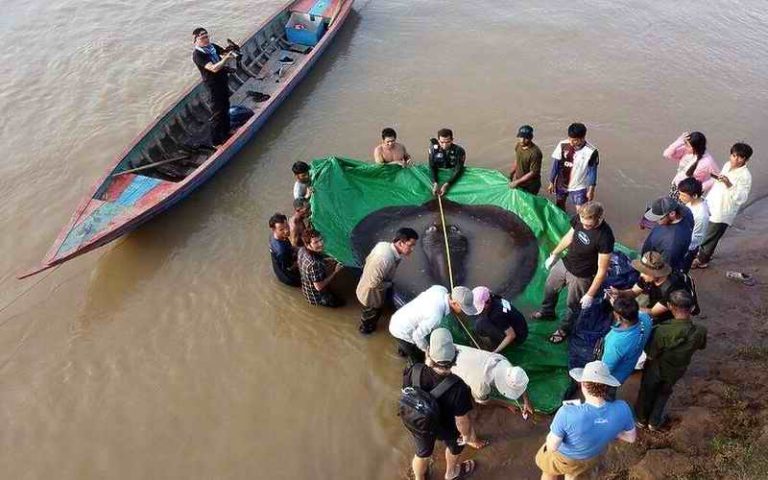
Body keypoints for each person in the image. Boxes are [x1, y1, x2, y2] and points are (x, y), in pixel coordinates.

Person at [535, 360, 636, 480]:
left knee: (549, 472)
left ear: (583, 385)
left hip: (564, 458)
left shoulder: (566, 413)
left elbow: (552, 446)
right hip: (591, 457)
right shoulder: (623, 408)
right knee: (574, 475)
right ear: (607, 386)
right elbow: (631, 438)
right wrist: (611, 429)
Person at [402, 328, 481, 480]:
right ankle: (451, 473)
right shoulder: (459, 387)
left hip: (420, 423)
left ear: (429, 353)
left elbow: (406, 392)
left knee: (422, 453)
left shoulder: (414, 369)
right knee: (455, 447)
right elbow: (461, 420)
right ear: (455, 355)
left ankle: (419, 477)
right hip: (445, 428)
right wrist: (465, 436)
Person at [531, 202, 615, 344]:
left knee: (572, 304)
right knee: (549, 288)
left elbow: (602, 270)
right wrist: (555, 254)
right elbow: (569, 236)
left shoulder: (605, 237)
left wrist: (590, 294)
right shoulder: (579, 219)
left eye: (589, 225)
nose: (585, 226)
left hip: (582, 275)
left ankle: (564, 329)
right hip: (566, 262)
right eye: (583, 223)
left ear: (599, 218)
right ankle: (547, 311)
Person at [635, 290, 707, 431]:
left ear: (669, 306)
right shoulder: (700, 330)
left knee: (647, 392)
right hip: (677, 369)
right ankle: (654, 422)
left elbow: (650, 353)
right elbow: (701, 346)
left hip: (656, 368)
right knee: (664, 393)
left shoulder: (662, 330)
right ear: (692, 308)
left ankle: (641, 419)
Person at [693, 142, 754, 269]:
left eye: (740, 157)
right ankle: (702, 254)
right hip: (711, 203)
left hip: (723, 212)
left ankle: (702, 260)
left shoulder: (745, 176)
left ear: (746, 160)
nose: (735, 159)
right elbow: (717, 185)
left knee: (710, 236)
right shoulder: (727, 165)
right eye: (733, 155)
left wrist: (729, 184)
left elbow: (742, 198)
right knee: (703, 232)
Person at [389, 285, 478, 366]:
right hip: (402, 331)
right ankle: (411, 361)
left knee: (404, 346)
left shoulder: (441, 289)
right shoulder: (436, 316)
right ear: (454, 303)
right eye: (462, 309)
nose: (463, 312)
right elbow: (417, 336)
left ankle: (402, 351)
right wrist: (427, 351)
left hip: (400, 317)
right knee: (418, 358)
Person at [355, 228, 419, 334]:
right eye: (410, 245)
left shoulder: (383, 245)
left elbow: (367, 261)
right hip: (370, 296)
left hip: (369, 285)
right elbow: (373, 283)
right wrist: (390, 284)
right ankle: (366, 330)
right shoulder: (385, 259)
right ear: (401, 243)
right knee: (370, 316)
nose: (412, 249)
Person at [451, 344, 533, 418]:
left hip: (456, 348)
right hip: (448, 363)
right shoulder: (481, 385)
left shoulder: (501, 360)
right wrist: (507, 404)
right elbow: (482, 401)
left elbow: (516, 377)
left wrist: (526, 400)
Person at [608, 251, 690, 324]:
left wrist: (622, 306)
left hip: (667, 317)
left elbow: (652, 312)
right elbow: (633, 292)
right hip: (653, 305)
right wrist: (619, 293)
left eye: (645, 272)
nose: (641, 275)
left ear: (656, 273)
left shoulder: (671, 289)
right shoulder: (646, 278)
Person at [192, 27, 235, 146]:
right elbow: (213, 68)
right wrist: (226, 59)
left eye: (207, 36)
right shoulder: (198, 55)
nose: (206, 39)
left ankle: (226, 133)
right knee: (217, 113)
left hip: (222, 81)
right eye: (202, 38)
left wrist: (231, 51)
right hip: (212, 86)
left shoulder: (212, 47)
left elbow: (223, 52)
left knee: (226, 106)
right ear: (196, 40)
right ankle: (216, 142)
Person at [548, 123, 599, 211]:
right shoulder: (562, 145)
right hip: (561, 183)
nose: (571, 142)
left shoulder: (591, 151)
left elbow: (592, 172)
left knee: (581, 210)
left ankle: (579, 224)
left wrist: (591, 190)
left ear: (582, 138)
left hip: (579, 186)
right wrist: (551, 181)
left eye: (574, 140)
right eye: (569, 138)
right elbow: (555, 164)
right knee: (559, 205)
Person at [601, 297, 652, 385]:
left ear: (618, 316)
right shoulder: (646, 319)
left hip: (610, 379)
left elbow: (605, 369)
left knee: (607, 395)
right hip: (626, 370)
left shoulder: (616, 342)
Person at [641, 196, 694, 272]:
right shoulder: (685, 210)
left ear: (672, 214)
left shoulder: (672, 244)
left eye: (659, 218)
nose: (655, 220)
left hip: (654, 264)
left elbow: (664, 269)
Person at [471, 286, 528, 352]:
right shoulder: (494, 297)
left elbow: (511, 335)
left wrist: (495, 352)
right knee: (482, 321)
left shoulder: (496, 314)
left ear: (488, 301)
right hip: (520, 328)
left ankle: (497, 344)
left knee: (480, 325)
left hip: (518, 337)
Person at [662, 131, 720, 197]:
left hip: (689, 195)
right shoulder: (685, 151)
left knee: (679, 207)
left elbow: (718, 178)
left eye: (688, 145)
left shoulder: (708, 161)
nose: (685, 146)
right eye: (685, 144)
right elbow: (666, 154)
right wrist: (680, 141)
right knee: (669, 206)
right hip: (676, 186)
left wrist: (700, 188)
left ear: (695, 147)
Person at [297, 229, 343, 307]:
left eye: (321, 239)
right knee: (340, 304)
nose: (321, 244)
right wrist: (335, 272)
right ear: (308, 245)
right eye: (316, 242)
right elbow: (319, 287)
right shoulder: (314, 264)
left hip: (306, 288)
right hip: (317, 297)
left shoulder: (302, 250)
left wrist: (327, 260)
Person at [676, 177, 709, 272]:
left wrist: (680, 246)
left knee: (680, 271)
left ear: (694, 195)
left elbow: (697, 238)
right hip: (683, 240)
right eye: (680, 194)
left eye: (683, 196)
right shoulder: (691, 203)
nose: (680, 198)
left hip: (687, 249)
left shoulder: (701, 215)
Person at [429, 128, 466, 197]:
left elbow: (458, 169)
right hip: (440, 169)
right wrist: (435, 182)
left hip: (452, 171)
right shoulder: (433, 149)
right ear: (438, 141)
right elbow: (432, 165)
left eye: (448, 142)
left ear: (452, 140)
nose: (445, 145)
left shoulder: (459, 151)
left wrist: (447, 184)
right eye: (442, 142)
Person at [509, 125, 543, 195]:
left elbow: (533, 172)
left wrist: (517, 182)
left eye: (525, 138)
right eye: (520, 137)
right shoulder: (518, 145)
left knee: (528, 205)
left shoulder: (535, 153)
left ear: (531, 138)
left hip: (530, 186)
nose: (522, 140)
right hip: (519, 181)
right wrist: (511, 173)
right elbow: (517, 160)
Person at [268, 213, 300, 287]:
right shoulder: (281, 251)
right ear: (273, 229)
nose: (286, 231)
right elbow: (290, 268)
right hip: (288, 276)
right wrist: (302, 260)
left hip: (281, 263)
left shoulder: (274, 236)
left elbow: (290, 247)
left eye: (287, 226)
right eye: (281, 229)